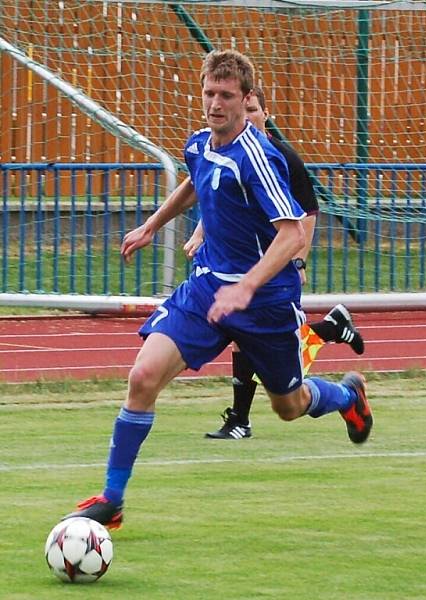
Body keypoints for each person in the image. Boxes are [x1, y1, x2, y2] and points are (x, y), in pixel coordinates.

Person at [65, 49, 373, 530]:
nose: (215, 104)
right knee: (143, 377)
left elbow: (292, 234)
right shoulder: (200, 143)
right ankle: (112, 499)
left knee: (289, 407)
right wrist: (150, 226)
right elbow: (195, 180)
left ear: (247, 100)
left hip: (265, 300)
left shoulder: (259, 157)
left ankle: (347, 397)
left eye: (227, 96)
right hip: (208, 287)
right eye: (209, 93)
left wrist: (247, 287)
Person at [180, 86, 365, 440]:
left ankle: (243, 418)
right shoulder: (224, 153)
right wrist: (202, 232)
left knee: (275, 374)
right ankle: (242, 416)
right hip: (239, 268)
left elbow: (306, 212)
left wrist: (298, 261)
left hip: (274, 272)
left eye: (252, 110)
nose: (246, 116)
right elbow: (220, 196)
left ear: (266, 114)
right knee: (246, 344)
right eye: (243, 110)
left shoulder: (278, 157)